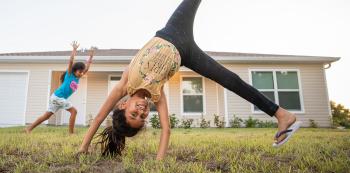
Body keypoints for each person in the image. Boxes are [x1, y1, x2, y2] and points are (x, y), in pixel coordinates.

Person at [78, 0, 301, 159]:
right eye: (143, 117)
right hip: (187, 54)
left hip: (173, 30)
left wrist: (83, 147)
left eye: (134, 113)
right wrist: (159, 163)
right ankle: (282, 114)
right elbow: (166, 130)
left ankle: (281, 114)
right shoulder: (158, 95)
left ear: (123, 105)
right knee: (230, 80)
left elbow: (99, 117)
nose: (142, 111)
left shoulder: (125, 84)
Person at [25, 41, 95, 134]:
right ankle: (71, 133)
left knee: (46, 116)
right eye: (80, 71)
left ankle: (28, 129)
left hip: (57, 98)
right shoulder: (69, 74)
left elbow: (87, 68)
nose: (81, 73)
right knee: (74, 111)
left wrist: (91, 56)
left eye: (82, 72)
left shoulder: (78, 77)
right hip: (58, 97)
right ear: (74, 70)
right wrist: (74, 50)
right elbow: (71, 61)